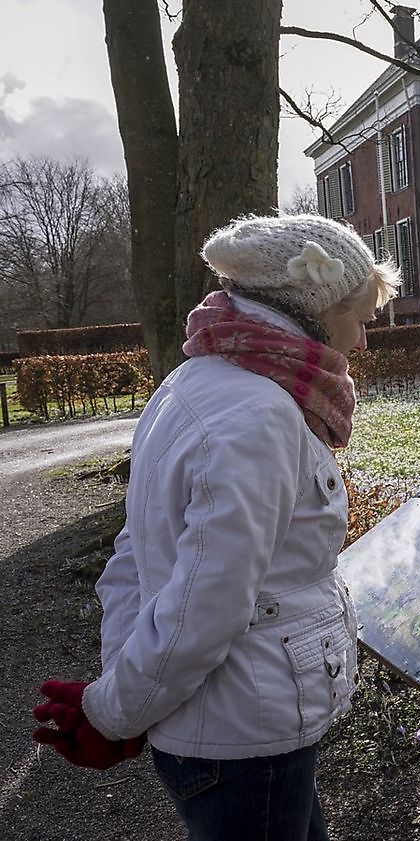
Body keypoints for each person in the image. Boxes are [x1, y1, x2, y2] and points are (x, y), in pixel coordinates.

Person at [32, 214, 399, 840]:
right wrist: (112, 713)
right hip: (246, 734)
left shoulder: (193, 382)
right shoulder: (260, 417)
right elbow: (205, 606)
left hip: (238, 719)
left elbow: (136, 556)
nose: (363, 341)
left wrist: (121, 691)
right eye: (360, 318)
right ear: (313, 307)